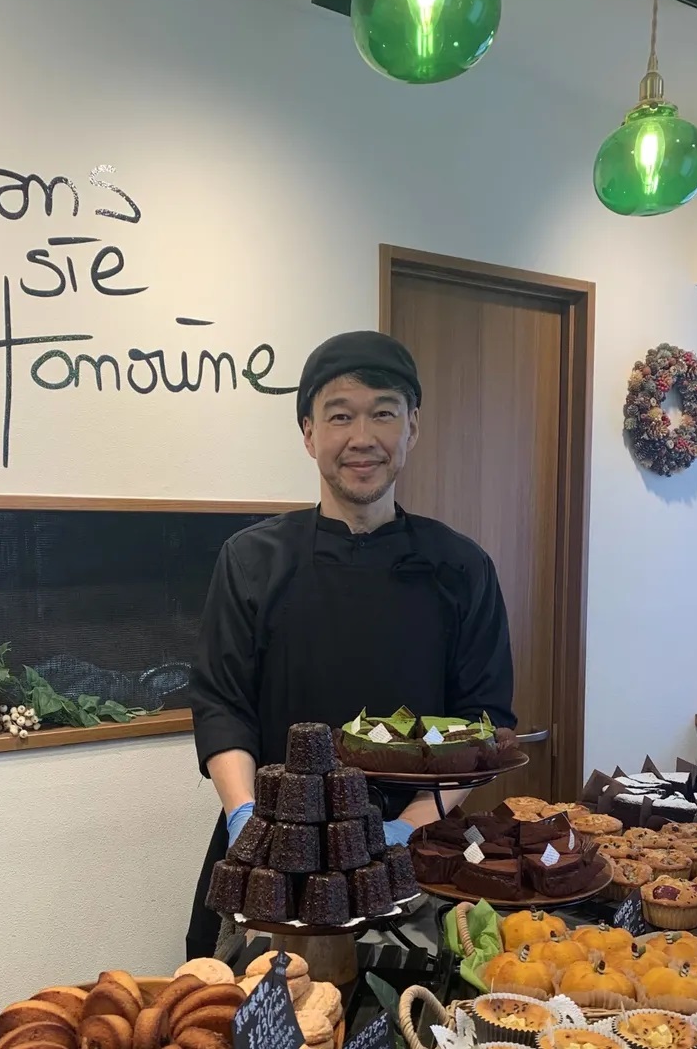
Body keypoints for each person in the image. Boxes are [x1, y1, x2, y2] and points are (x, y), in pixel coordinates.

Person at [186, 330, 517, 959]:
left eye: (383, 413)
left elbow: (483, 720)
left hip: (414, 853)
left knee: (409, 998)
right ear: (309, 433)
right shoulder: (251, 560)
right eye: (340, 416)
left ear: (412, 427)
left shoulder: (462, 567)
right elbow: (221, 705)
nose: (362, 437)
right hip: (273, 855)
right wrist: (246, 819)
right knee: (251, 999)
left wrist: (408, 828)